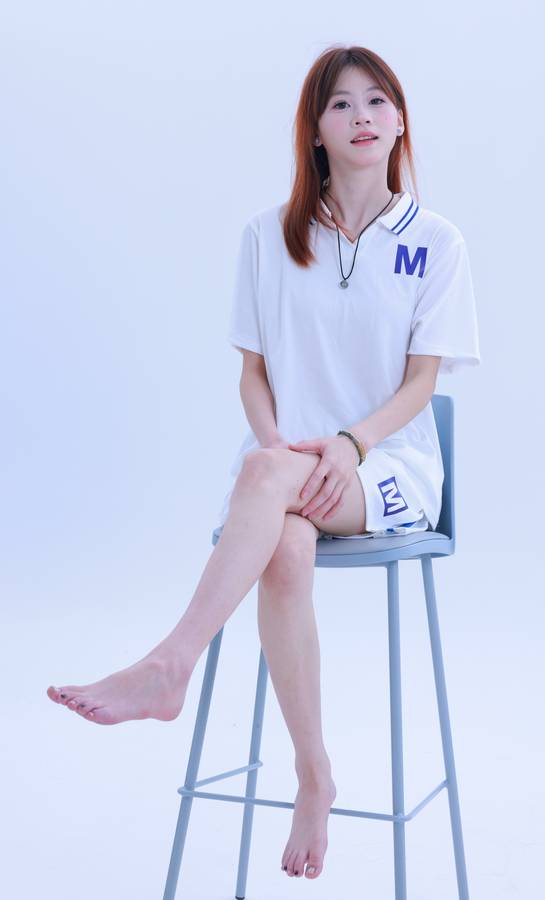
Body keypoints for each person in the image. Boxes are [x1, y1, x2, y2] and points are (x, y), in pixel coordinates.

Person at [47, 45, 481, 882]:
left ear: (399, 121)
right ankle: (314, 774)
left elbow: (422, 384)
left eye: (377, 101)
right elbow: (253, 375)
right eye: (340, 104)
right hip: (283, 466)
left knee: (263, 481)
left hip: (388, 467)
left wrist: (348, 445)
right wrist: (280, 448)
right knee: (280, 535)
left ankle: (169, 664)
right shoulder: (268, 236)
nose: (362, 117)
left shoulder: (436, 242)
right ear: (314, 130)